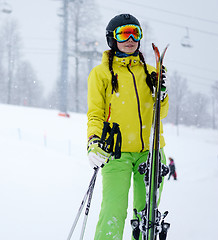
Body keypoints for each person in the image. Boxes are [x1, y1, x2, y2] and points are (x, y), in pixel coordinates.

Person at [86, 13, 169, 240]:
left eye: (136, 33)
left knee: (146, 217)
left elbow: (161, 113)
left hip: (150, 152)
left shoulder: (151, 72)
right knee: (113, 211)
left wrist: (160, 94)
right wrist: (93, 141)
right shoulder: (101, 74)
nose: (131, 38)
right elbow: (95, 114)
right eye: (124, 33)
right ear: (112, 39)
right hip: (116, 152)